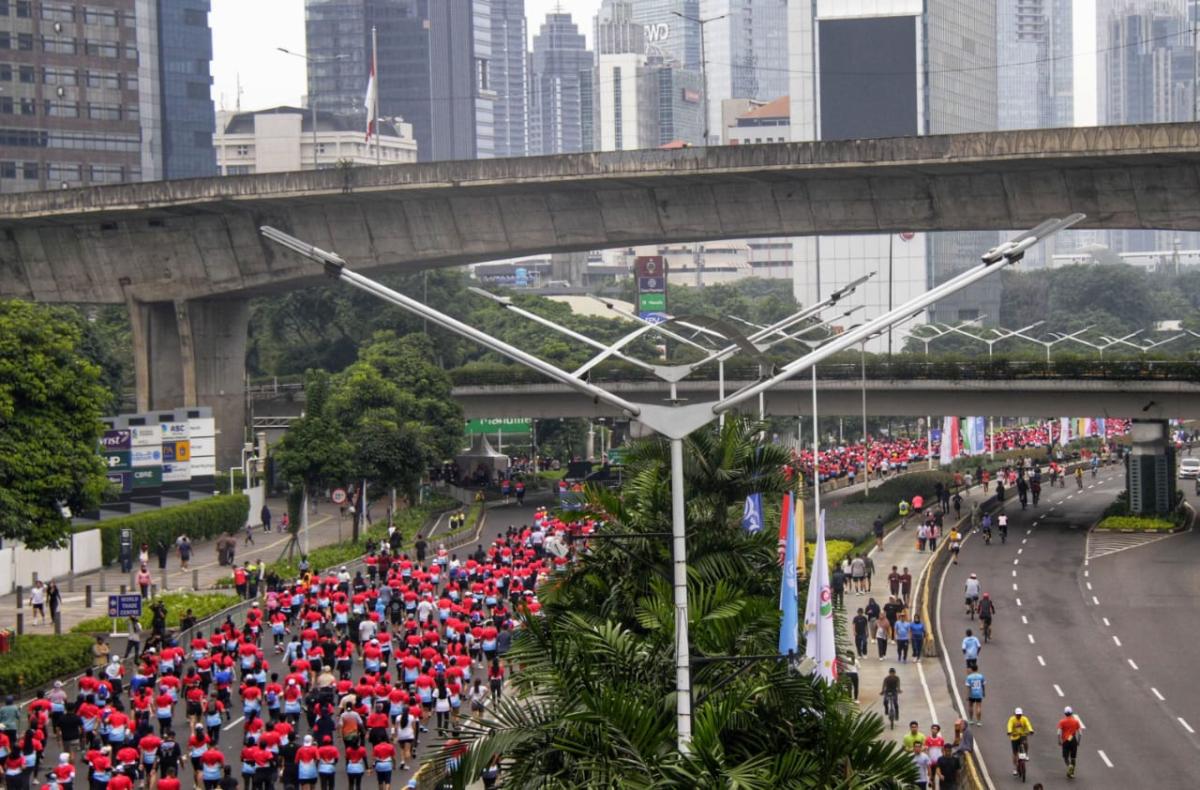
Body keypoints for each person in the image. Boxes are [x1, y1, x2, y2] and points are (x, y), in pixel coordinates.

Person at [1006, 707, 1034, 776]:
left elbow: (1028, 724)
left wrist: (1030, 730)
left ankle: (1026, 754)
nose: (1019, 716)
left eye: (1020, 714)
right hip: (1014, 737)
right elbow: (1009, 725)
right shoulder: (1012, 719)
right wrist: (1009, 732)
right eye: (1017, 714)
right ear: (1015, 714)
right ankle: (1015, 768)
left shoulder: (1024, 719)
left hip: (1022, 735)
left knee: (1025, 742)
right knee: (1015, 753)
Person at [1057, 706, 1082, 778]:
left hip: (1066, 741)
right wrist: (1078, 741)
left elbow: (1058, 732)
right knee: (1073, 758)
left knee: (1065, 757)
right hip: (1073, 740)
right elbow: (1080, 733)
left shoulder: (1062, 721)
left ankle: (1069, 766)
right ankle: (1072, 773)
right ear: (1071, 713)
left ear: (1065, 713)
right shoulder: (1076, 721)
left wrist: (1059, 741)